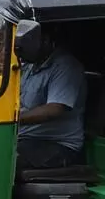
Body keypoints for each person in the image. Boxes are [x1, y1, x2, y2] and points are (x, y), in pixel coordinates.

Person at [16, 33, 86, 171]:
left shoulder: (65, 66)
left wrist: (12, 119)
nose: (19, 48)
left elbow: (54, 109)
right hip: (25, 139)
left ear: (45, 40)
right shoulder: (30, 65)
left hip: (56, 145)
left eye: (25, 42)